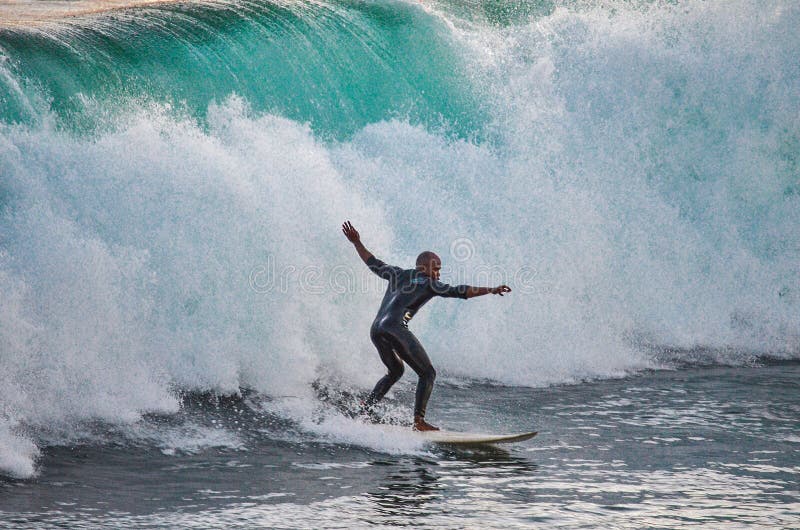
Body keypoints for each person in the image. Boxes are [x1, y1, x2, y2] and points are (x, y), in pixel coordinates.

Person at [342, 221, 511, 431]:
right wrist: (491, 289)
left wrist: (356, 242)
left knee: (395, 371)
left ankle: (365, 410)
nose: (438, 274)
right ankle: (419, 421)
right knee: (428, 373)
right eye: (436, 269)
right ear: (424, 267)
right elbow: (459, 291)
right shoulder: (429, 282)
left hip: (376, 329)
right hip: (395, 327)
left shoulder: (397, 273)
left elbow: (373, 262)